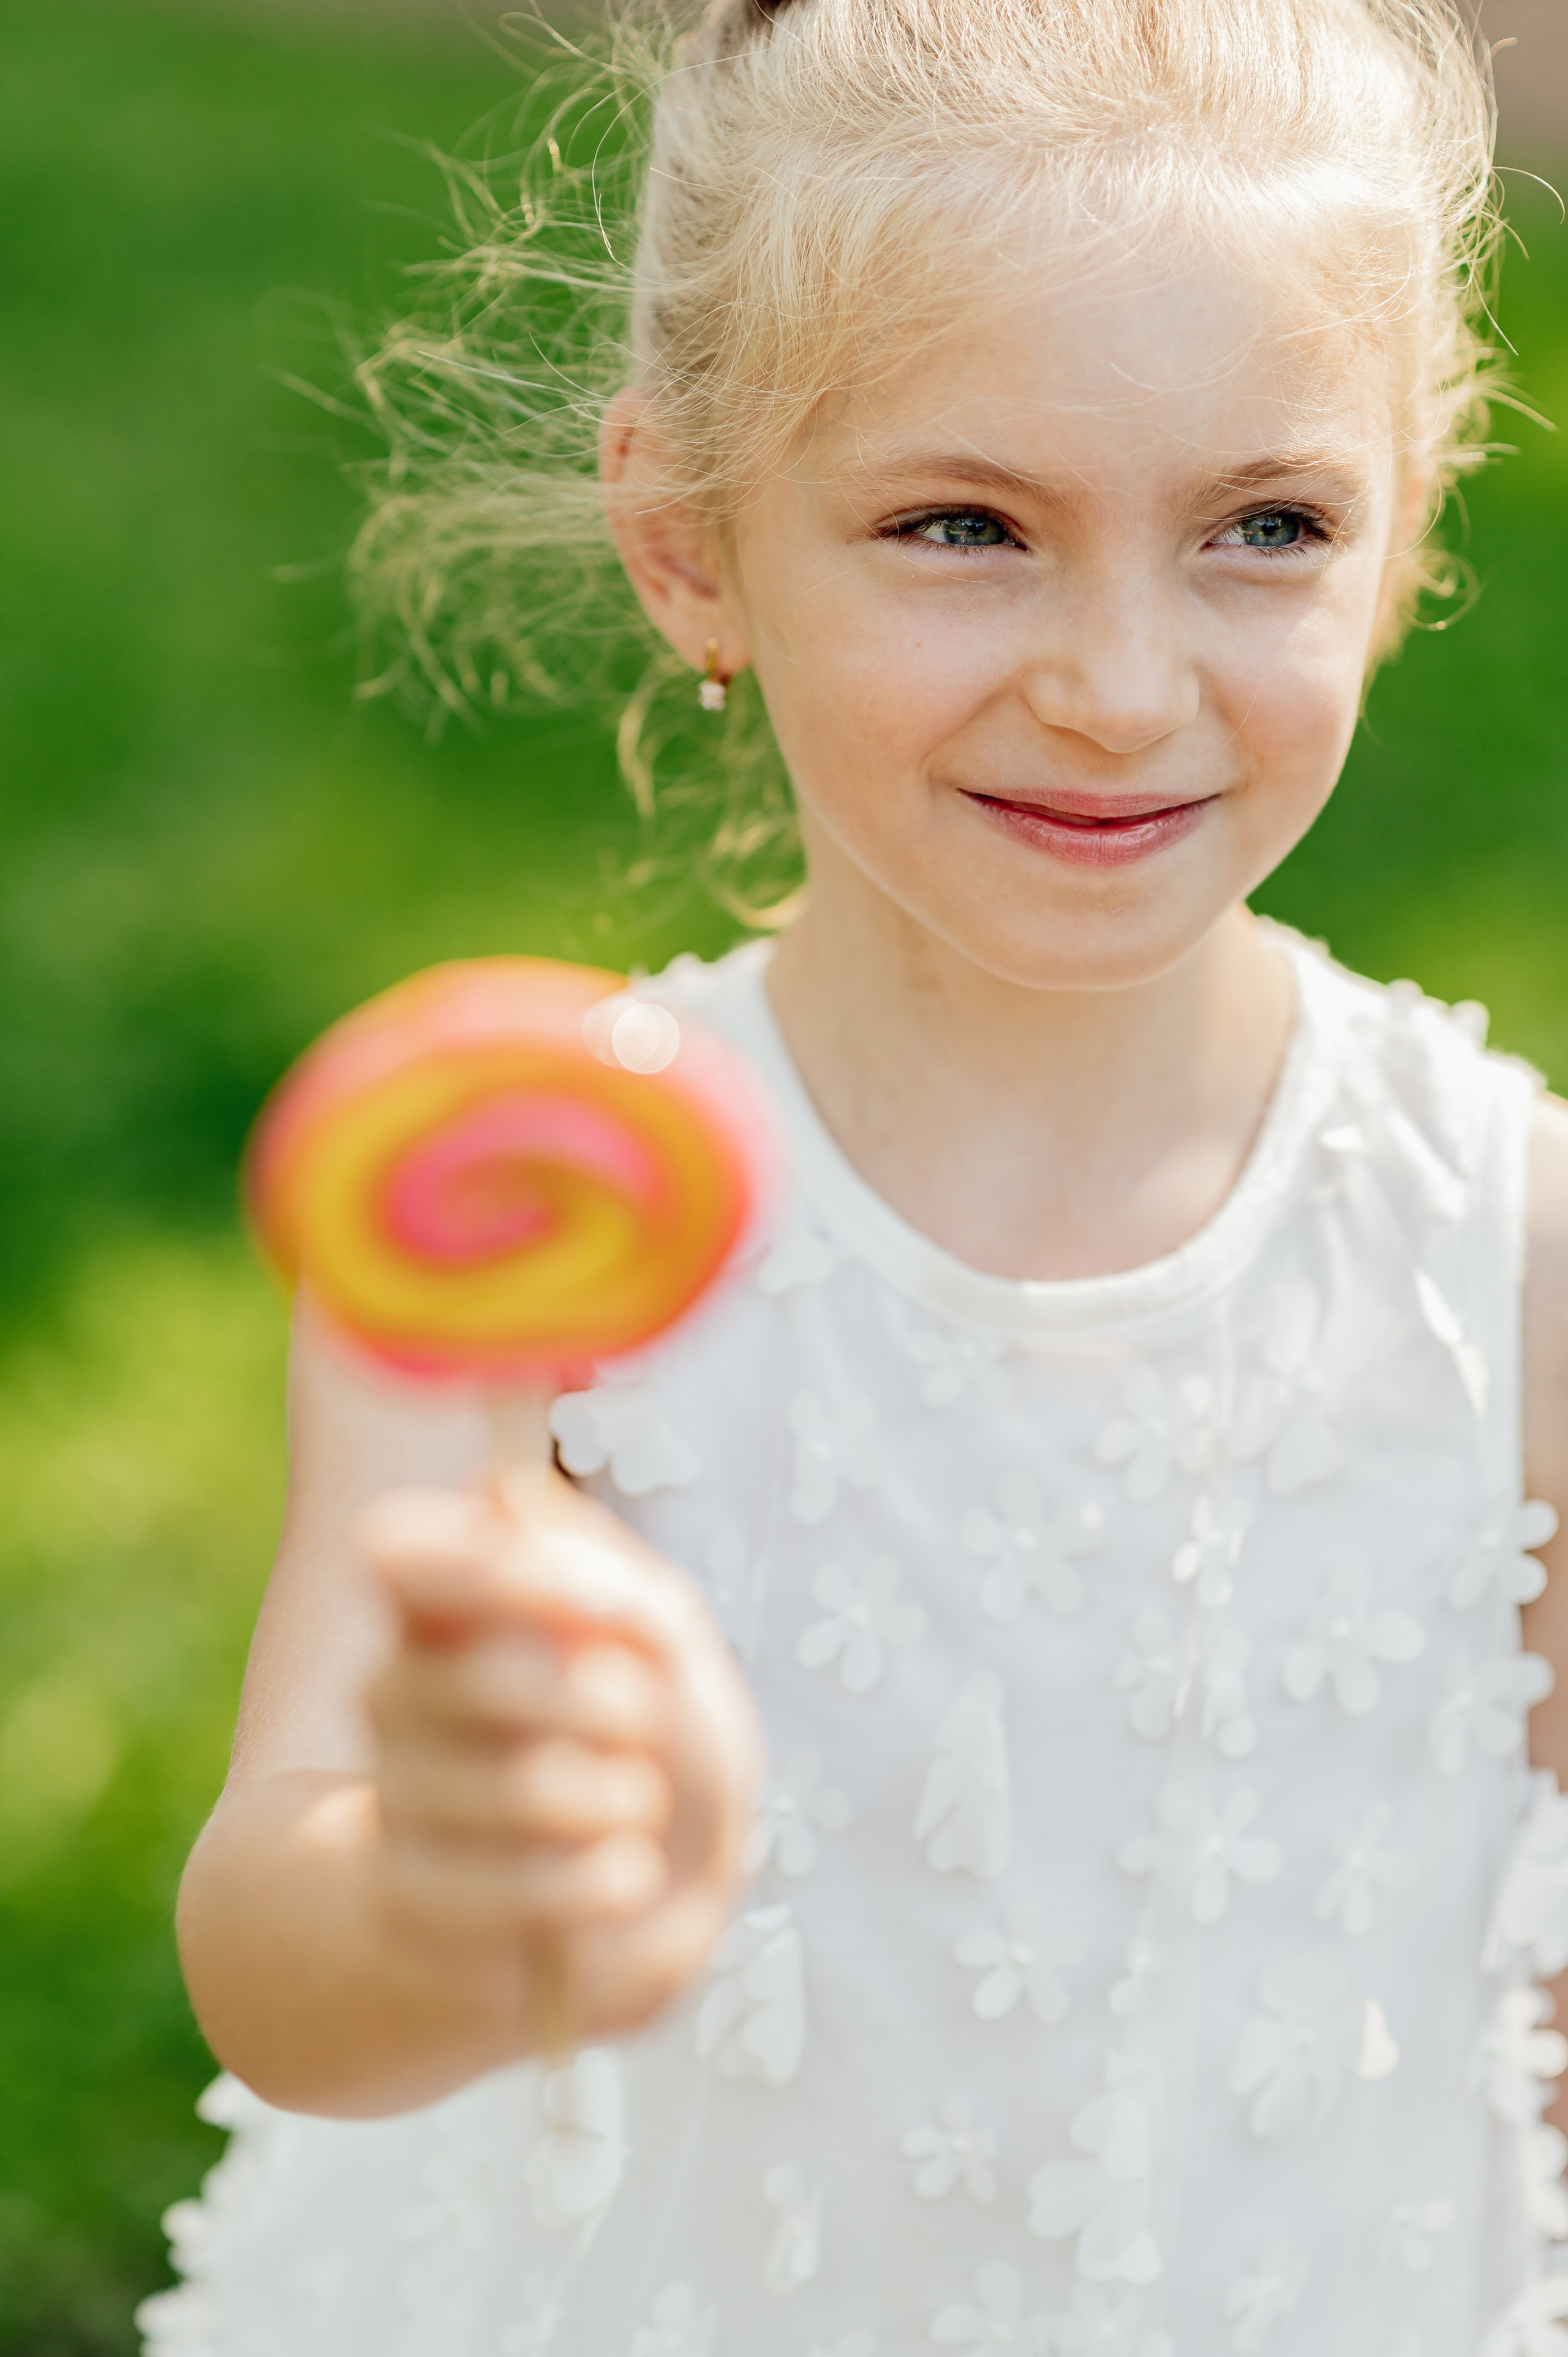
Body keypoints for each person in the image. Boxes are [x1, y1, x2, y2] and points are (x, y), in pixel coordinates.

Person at [140, 1, 1568, 2351]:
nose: (1122, 680)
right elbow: (288, 1984)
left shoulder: (1501, 1250)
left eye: (1265, 530)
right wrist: (458, 1886)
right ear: (688, 547)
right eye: (962, 529)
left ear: (1407, 534)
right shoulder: (535, 1230)